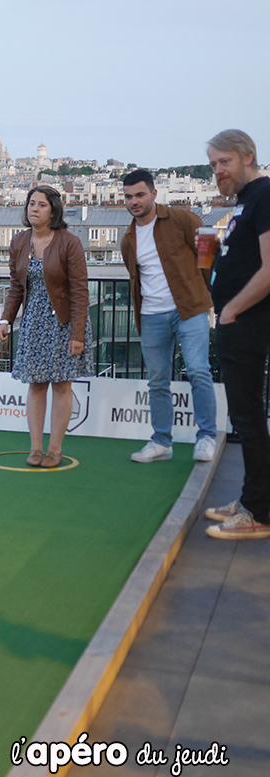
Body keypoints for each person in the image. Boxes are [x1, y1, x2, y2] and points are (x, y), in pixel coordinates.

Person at [121, 169, 218, 463]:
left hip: (189, 309)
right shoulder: (127, 239)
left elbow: (210, 248)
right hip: (151, 315)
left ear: (153, 194)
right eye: (128, 197)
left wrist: (202, 290)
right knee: (158, 380)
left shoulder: (182, 219)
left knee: (199, 370)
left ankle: (207, 437)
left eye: (139, 194)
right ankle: (162, 441)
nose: (134, 201)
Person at [203, 130, 270, 539]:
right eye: (212, 165)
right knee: (246, 416)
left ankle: (258, 512)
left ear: (247, 157)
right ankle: (251, 499)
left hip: (245, 322)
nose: (217, 172)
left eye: (223, 162)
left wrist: (231, 309)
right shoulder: (247, 201)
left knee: (248, 416)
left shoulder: (264, 196)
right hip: (238, 321)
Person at [0, 185, 93, 468]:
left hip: (63, 323)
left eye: (41, 205)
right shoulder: (19, 242)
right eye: (31, 203)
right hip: (34, 322)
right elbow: (16, 286)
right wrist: (5, 320)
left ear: (53, 211)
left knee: (62, 385)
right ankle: (35, 449)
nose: (34, 209)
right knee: (36, 385)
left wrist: (77, 334)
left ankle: (55, 449)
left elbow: (80, 291)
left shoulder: (69, 242)